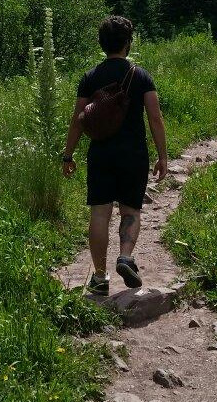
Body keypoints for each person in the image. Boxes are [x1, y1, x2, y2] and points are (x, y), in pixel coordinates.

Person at [62, 15, 168, 295]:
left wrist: (68, 155)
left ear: (102, 43)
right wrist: (163, 156)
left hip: (101, 154)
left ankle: (99, 278)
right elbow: (155, 118)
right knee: (130, 210)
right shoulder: (141, 76)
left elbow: (78, 120)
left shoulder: (90, 77)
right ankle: (125, 257)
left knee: (100, 212)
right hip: (134, 154)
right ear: (128, 43)